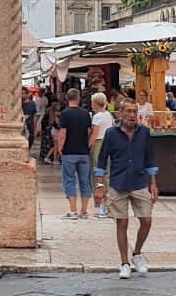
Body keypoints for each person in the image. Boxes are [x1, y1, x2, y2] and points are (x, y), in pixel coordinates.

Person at [95, 99, 159, 278]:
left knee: (146, 220)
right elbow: (101, 160)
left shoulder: (144, 133)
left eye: (134, 111)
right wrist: (100, 186)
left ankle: (137, 253)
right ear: (120, 114)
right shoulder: (111, 134)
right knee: (122, 222)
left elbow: (150, 157)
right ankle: (124, 263)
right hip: (118, 183)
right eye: (128, 112)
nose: (132, 115)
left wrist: (153, 182)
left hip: (139, 181)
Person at [54, 88, 93, 219]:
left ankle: (72, 210)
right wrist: (87, 145)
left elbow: (63, 133)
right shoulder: (85, 114)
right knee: (84, 181)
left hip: (69, 152)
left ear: (67, 99)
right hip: (83, 152)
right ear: (79, 98)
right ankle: (84, 210)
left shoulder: (65, 114)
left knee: (69, 180)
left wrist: (60, 147)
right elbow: (90, 132)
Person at [88, 92, 116, 218]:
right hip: (109, 144)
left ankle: (100, 204)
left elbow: (95, 134)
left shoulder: (97, 117)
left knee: (97, 174)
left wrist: (88, 146)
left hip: (99, 144)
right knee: (107, 174)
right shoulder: (109, 115)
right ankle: (108, 204)